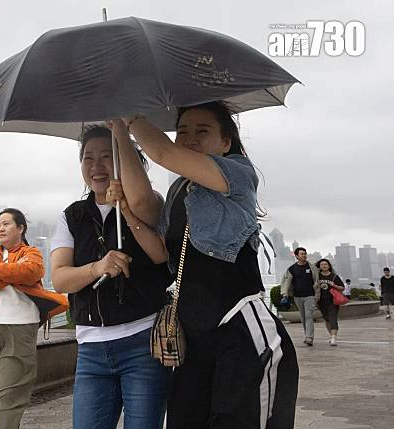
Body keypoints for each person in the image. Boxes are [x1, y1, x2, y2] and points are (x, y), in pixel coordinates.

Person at [122, 101, 299, 428]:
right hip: (193, 338)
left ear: (225, 142)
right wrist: (119, 129)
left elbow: (162, 152)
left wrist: (128, 112)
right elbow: (159, 244)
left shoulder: (238, 173)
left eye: (202, 131)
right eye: (182, 131)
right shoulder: (179, 190)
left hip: (242, 333)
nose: (188, 138)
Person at [50, 125, 171, 429]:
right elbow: (60, 279)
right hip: (92, 349)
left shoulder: (148, 203)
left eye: (107, 156)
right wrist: (97, 267)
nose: (97, 166)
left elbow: (161, 255)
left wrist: (126, 210)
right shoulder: (72, 216)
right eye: (88, 158)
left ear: (126, 161)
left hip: (143, 343)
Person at [0, 208, 69, 429]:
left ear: (21, 228)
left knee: (9, 396)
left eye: (6, 224)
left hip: (19, 329)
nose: (1, 229)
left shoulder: (31, 253)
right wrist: (7, 272)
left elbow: (32, 272)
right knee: (0, 394)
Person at [281, 247, 320, 346]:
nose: (304, 255)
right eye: (302, 254)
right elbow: (286, 282)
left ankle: (309, 337)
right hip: (297, 296)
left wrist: (317, 295)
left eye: (305, 253)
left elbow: (317, 281)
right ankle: (307, 335)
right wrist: (285, 294)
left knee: (308, 316)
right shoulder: (292, 269)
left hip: (310, 295)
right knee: (303, 317)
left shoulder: (311, 267)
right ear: (297, 256)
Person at [314, 259, 345, 346]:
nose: (324, 266)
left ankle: (334, 338)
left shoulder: (334, 276)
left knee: (333, 319)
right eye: (322, 264)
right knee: (327, 319)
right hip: (321, 301)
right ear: (319, 266)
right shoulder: (317, 277)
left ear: (329, 266)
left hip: (333, 301)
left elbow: (342, 288)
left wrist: (334, 285)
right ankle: (331, 336)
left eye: (325, 264)